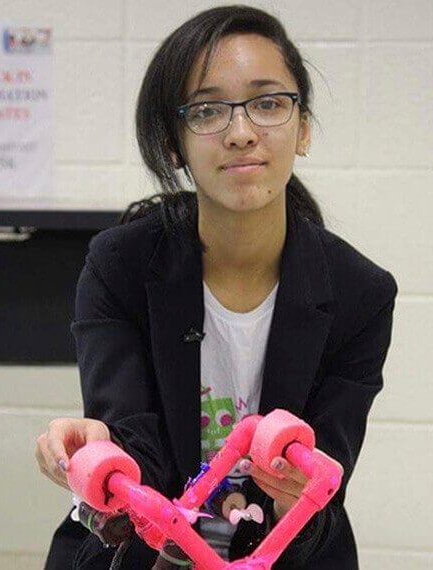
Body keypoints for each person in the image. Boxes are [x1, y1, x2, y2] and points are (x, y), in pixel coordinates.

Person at [35, 5, 397, 569]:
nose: (242, 132)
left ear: (302, 128)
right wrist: (97, 449)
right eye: (207, 110)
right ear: (174, 142)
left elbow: (326, 485)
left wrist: (299, 494)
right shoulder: (119, 265)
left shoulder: (360, 294)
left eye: (269, 103)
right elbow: (135, 449)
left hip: (286, 554)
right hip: (142, 550)